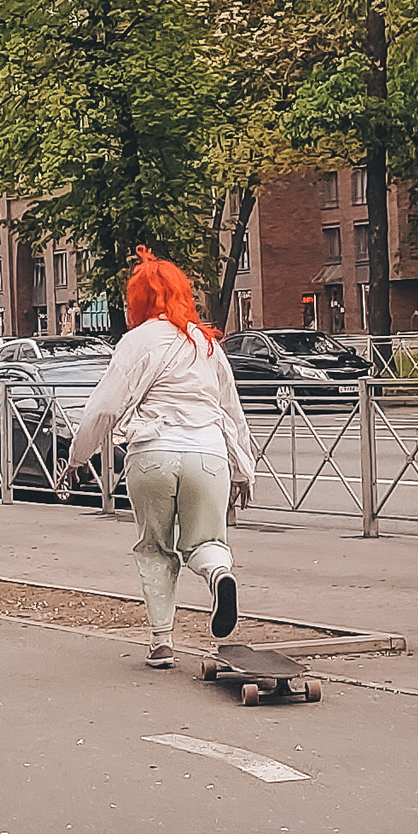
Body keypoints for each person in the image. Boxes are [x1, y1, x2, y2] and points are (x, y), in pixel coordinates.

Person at [67, 248, 256, 669]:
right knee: (207, 541)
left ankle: (161, 643)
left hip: (152, 453)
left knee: (155, 547)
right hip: (208, 454)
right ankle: (219, 577)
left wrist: (78, 457)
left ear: (137, 300)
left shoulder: (135, 342)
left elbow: (104, 407)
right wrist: (243, 470)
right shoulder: (205, 344)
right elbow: (231, 413)